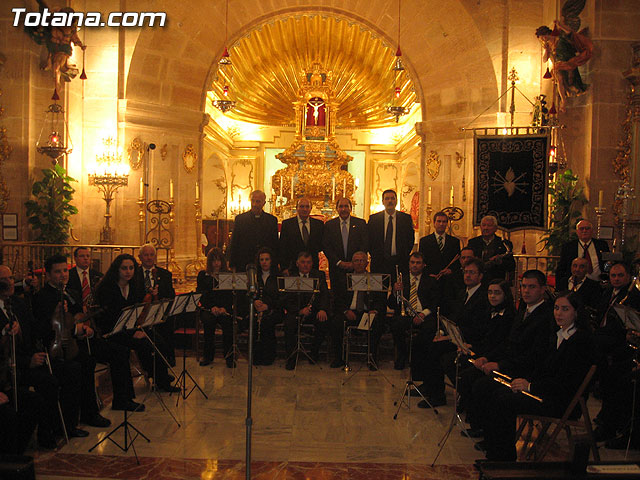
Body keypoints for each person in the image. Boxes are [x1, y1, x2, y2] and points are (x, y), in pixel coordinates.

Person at [480, 291, 596, 461]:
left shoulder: (580, 341)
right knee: (496, 392)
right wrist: (524, 381)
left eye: (565, 309)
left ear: (576, 313)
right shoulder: (558, 334)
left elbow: (566, 382)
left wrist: (530, 386)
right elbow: (543, 367)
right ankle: (494, 453)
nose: (558, 313)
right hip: (545, 391)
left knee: (503, 402)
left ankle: (502, 459)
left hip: (561, 401)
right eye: (556, 308)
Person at [460, 270, 553, 436]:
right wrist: (487, 358)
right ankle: (482, 427)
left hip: (524, 372)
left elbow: (533, 355)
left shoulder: (545, 317)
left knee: (484, 385)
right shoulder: (524, 309)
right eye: (524, 286)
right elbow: (509, 342)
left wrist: (499, 364)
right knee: (471, 375)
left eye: (532, 287)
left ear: (543, 289)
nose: (526, 291)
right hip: (511, 363)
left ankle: (490, 434)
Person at [31, 255, 109, 437]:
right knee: (74, 369)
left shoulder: (72, 293)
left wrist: (85, 329)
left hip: (72, 345)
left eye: (65, 270)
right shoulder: (42, 297)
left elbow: (79, 318)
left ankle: (90, 413)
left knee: (88, 361)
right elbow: (42, 330)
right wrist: (61, 318)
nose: (62, 275)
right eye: (57, 272)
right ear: (48, 275)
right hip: (54, 349)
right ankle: (67, 424)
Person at [94, 254, 178, 396]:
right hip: (114, 331)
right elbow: (109, 318)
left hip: (130, 328)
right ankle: (158, 377)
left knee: (158, 339)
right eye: (124, 268)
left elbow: (137, 311)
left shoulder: (133, 286)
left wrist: (140, 328)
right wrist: (134, 332)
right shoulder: (107, 289)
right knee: (145, 344)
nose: (128, 272)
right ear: (117, 270)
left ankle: (161, 378)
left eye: (131, 268)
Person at [416, 257, 489, 408]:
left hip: (470, 340)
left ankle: (438, 396)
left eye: (472, 273)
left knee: (436, 350)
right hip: (457, 336)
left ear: (480, 276)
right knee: (427, 340)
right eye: (466, 272)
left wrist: (450, 337)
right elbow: (455, 318)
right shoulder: (464, 293)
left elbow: (477, 326)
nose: (467, 276)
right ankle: (429, 386)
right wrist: (442, 332)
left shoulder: (483, 296)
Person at [0, 265, 57, 450]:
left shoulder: (17, 303)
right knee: (27, 404)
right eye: (5, 280)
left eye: (10, 278)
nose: (9, 282)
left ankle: (46, 434)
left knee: (50, 381)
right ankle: (13, 454)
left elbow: (33, 331)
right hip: (7, 371)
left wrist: (55, 317)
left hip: (22, 361)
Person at [592, 262, 640, 444]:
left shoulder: (633, 297)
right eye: (613, 275)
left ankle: (614, 426)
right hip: (616, 339)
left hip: (619, 341)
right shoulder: (606, 293)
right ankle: (608, 422)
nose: (616, 279)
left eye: (620, 275)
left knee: (618, 376)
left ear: (628, 276)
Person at [330, 251, 387, 370]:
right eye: (356, 260)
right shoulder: (345, 279)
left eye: (362, 261)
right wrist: (345, 311)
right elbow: (337, 299)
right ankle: (339, 358)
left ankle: (372, 358)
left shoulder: (374, 279)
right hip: (350, 312)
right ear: (352, 263)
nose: (359, 263)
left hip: (367, 312)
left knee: (377, 323)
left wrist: (375, 311)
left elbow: (380, 300)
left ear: (367, 263)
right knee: (335, 322)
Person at [388, 251, 439, 372]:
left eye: (418, 263)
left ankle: (420, 358)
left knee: (430, 327)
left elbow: (435, 302)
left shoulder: (431, 280)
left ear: (423, 265)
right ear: (409, 264)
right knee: (396, 324)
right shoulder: (401, 280)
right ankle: (402, 355)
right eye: (412, 262)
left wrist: (422, 314)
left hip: (424, 314)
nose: (415, 265)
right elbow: (391, 305)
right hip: (405, 314)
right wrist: (395, 292)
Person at [282, 251, 330, 370]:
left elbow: (325, 295)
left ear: (312, 264)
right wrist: (299, 311)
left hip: (314, 310)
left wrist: (323, 309)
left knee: (323, 322)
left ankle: (314, 353)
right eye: (303, 262)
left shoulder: (319, 275)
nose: (305, 265)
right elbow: (286, 299)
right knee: (289, 324)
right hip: (296, 311)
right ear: (297, 263)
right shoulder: (291, 276)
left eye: (308, 263)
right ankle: (291, 358)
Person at [135, 244, 177, 366]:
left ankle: (167, 356)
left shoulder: (165, 274)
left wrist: (160, 294)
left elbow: (171, 295)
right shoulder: (134, 274)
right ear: (140, 257)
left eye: (151, 255)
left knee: (168, 321)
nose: (149, 258)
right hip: (141, 312)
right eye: (146, 255)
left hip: (159, 310)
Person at [196, 248, 235, 368]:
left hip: (224, 308)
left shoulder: (228, 275)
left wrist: (224, 308)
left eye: (218, 260)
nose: (216, 263)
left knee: (228, 323)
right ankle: (208, 355)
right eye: (214, 261)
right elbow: (202, 295)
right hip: (209, 308)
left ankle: (229, 357)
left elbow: (230, 296)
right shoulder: (203, 275)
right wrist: (211, 307)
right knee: (208, 322)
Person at [322, 197, 369, 295]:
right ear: (337, 209)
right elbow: (326, 246)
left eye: (346, 206)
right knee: (337, 297)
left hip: (356, 268)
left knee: (356, 296)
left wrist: (355, 262)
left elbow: (364, 244)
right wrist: (339, 262)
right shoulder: (329, 225)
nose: (343, 209)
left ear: (350, 208)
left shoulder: (360, 223)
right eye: (341, 206)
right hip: (336, 269)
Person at [367, 189, 415, 281]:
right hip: (379, 262)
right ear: (383, 201)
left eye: (392, 198)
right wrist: (375, 254)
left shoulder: (405, 219)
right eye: (387, 199)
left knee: (398, 292)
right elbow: (369, 239)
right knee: (378, 293)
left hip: (399, 262)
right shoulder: (374, 219)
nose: (390, 201)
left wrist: (403, 255)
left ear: (396, 201)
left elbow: (410, 240)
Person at [229, 190, 279, 271]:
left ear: (264, 203)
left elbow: (275, 244)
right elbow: (234, 242)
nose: (255, 204)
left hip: (265, 264)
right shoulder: (240, 219)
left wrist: (276, 263)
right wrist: (232, 264)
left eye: (258, 201)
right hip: (244, 262)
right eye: (253, 201)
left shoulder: (271, 220)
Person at [251, 247, 281, 365]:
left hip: (274, 310)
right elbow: (246, 294)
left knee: (267, 322)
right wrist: (254, 302)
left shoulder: (278, 276)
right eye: (261, 259)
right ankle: (256, 355)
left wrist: (268, 306)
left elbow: (282, 298)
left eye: (267, 259)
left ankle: (269, 355)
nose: (264, 262)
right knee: (254, 322)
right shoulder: (253, 276)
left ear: (271, 261)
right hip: (256, 309)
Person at [279, 197, 324, 272]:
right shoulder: (287, 224)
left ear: (311, 208)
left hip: (312, 266)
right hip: (292, 265)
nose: (304, 209)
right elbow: (283, 247)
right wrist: (284, 267)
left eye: (307, 207)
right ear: (297, 208)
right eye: (302, 206)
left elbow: (321, 244)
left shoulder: (318, 224)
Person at [466, 215, 515, 283]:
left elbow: (511, 265)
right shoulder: (473, 242)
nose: (486, 228)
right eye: (484, 225)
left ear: (495, 228)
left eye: (489, 225)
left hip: (496, 280)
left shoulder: (504, 244)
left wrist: (500, 262)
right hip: (477, 280)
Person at [419, 211, 461, 278]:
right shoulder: (424, 241)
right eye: (439, 221)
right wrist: (428, 274)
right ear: (434, 223)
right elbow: (421, 261)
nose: (441, 224)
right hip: (431, 278)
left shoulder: (454, 242)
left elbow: (457, 261)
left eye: (444, 222)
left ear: (447, 224)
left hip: (448, 279)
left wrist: (451, 270)